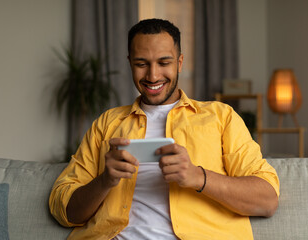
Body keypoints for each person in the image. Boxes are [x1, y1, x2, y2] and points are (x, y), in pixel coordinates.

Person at [49, 18, 279, 240]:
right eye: (141, 64)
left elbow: (267, 200)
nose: (153, 75)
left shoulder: (221, 117)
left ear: (179, 63)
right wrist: (105, 181)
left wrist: (197, 176)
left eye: (163, 62)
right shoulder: (107, 124)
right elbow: (65, 211)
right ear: (130, 63)